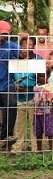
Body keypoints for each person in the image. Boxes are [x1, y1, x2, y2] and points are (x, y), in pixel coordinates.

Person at [14, 37, 40, 151]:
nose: (27, 47)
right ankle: (17, 149)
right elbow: (10, 78)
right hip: (19, 99)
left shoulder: (37, 60)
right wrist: (16, 87)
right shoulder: (15, 60)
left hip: (33, 98)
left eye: (30, 45)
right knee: (19, 126)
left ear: (33, 47)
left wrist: (31, 86)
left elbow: (42, 79)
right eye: (24, 45)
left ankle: (35, 148)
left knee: (34, 125)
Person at [0, 20, 19, 151]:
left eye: (5, 35)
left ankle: (6, 135)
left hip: (7, 83)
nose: (3, 37)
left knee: (12, 104)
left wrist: (24, 41)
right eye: (1, 34)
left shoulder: (11, 46)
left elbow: (23, 54)